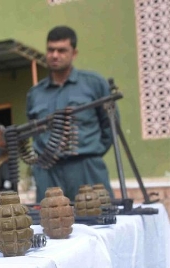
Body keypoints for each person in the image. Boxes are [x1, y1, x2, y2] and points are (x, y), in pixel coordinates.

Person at [26, 26, 116, 202]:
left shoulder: (94, 84)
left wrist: (90, 152)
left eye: (61, 50)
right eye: (51, 50)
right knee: (49, 225)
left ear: (74, 53)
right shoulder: (35, 93)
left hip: (86, 168)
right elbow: (34, 132)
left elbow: (110, 126)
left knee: (99, 222)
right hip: (48, 171)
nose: (55, 55)